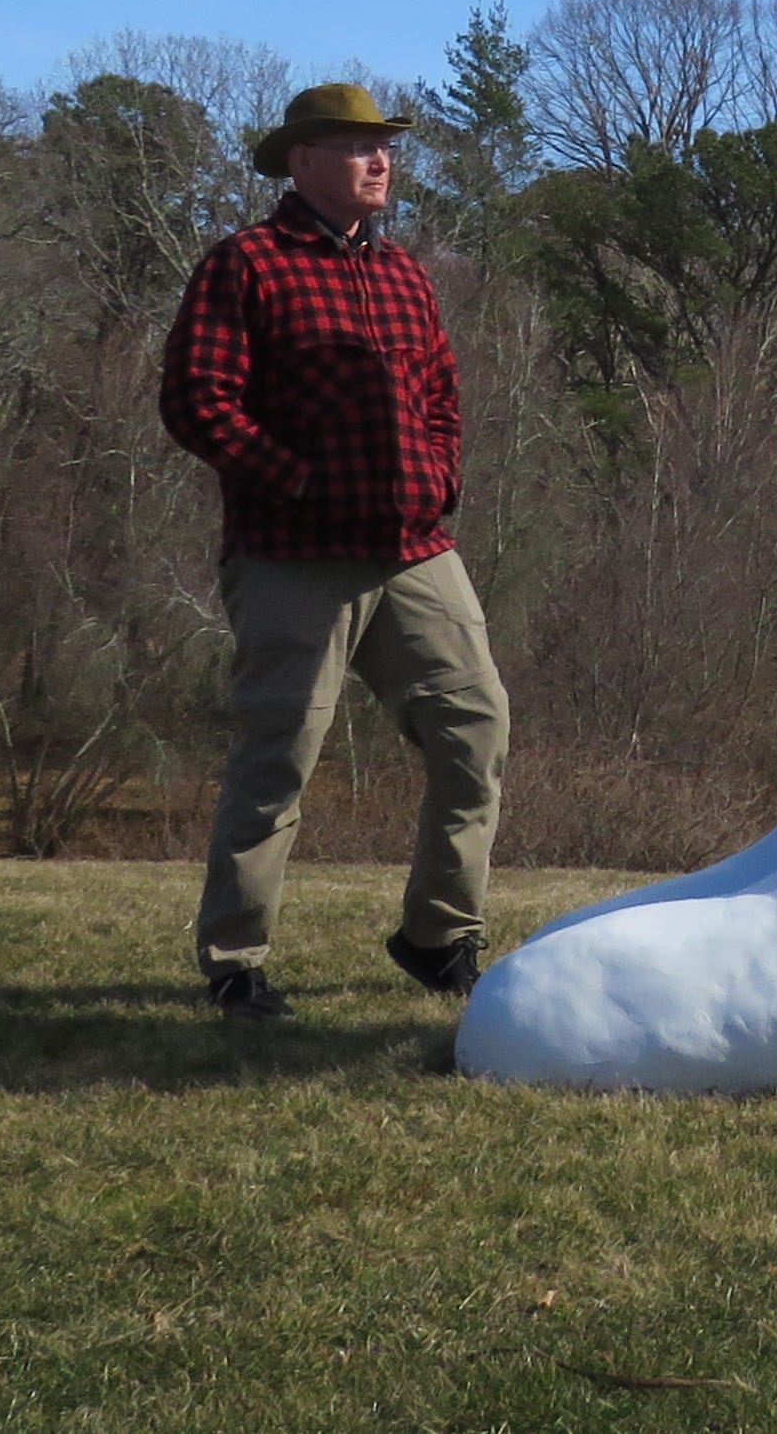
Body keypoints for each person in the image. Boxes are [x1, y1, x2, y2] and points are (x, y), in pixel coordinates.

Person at [159, 82, 509, 1020]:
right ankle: (236, 962)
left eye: (385, 146)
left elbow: (441, 394)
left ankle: (438, 937)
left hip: (414, 552)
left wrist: (438, 479)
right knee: (279, 761)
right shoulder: (247, 265)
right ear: (303, 161)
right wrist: (297, 480)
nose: (381, 160)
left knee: (476, 733)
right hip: (292, 558)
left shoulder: (404, 274)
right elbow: (199, 402)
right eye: (358, 147)